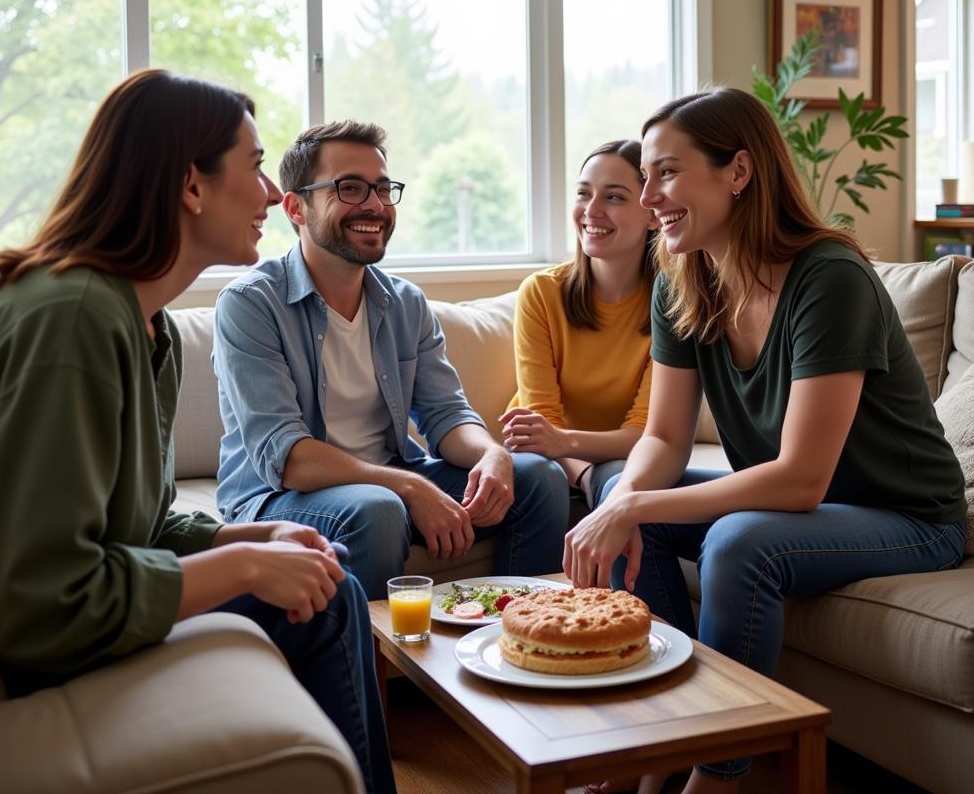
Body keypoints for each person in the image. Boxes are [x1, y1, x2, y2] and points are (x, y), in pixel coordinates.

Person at [0, 70, 397, 794]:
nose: (264, 196)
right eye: (253, 168)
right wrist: (246, 569)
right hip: (35, 643)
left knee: (328, 584)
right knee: (322, 594)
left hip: (66, 615)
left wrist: (243, 539)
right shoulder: (72, 321)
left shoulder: (137, 322)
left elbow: (138, 523)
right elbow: (42, 605)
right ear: (192, 186)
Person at [564, 88, 966, 794]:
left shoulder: (829, 278)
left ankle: (717, 774)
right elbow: (662, 437)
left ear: (739, 172)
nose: (650, 195)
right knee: (615, 488)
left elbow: (800, 480)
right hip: (800, 512)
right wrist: (621, 504)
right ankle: (658, 742)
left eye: (666, 172)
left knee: (740, 539)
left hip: (908, 517)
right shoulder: (681, 278)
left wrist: (633, 509)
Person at [213, 120, 570, 599]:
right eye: (351, 188)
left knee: (539, 479)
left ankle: (518, 638)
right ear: (297, 208)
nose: (376, 206)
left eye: (383, 189)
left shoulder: (404, 302)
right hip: (279, 497)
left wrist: (492, 454)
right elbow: (288, 458)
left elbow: (446, 415)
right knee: (379, 509)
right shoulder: (251, 303)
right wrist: (410, 489)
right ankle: (372, 671)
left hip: (388, 482)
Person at [501, 140, 657, 509]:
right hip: (540, 458)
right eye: (583, 193)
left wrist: (566, 442)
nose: (591, 210)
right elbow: (540, 427)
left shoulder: (673, 304)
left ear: (652, 213)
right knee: (562, 477)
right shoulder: (542, 292)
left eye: (615, 197)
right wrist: (585, 474)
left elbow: (648, 432)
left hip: (606, 454)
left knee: (622, 478)